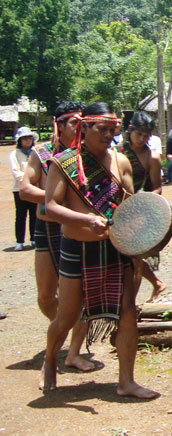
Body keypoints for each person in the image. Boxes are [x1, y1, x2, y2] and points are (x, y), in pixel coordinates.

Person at [39, 102, 159, 399]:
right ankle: (50, 359)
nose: (108, 135)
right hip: (77, 248)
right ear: (84, 128)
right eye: (102, 130)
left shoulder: (121, 162)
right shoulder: (63, 162)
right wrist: (86, 219)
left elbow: (131, 206)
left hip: (114, 248)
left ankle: (126, 381)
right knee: (67, 316)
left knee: (127, 314)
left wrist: (142, 240)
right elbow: (48, 208)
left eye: (112, 130)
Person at [20, 103, 96, 371]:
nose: (79, 127)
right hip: (47, 228)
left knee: (81, 298)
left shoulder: (87, 155)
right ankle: (65, 328)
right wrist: (55, 195)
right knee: (45, 295)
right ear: (59, 125)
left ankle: (74, 352)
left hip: (77, 229)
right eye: (73, 122)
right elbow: (26, 189)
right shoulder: (41, 154)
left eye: (82, 122)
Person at [117, 112, 167, 301]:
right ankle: (156, 283)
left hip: (138, 213)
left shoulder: (151, 157)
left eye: (146, 136)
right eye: (139, 134)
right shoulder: (116, 152)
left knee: (136, 259)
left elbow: (157, 188)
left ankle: (129, 305)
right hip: (114, 210)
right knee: (123, 259)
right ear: (130, 130)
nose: (142, 139)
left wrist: (140, 202)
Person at [10, 127, 39, 250]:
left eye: (29, 138)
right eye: (24, 138)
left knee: (34, 214)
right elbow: (16, 171)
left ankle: (33, 239)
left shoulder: (36, 153)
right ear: (20, 140)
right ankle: (19, 241)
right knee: (21, 215)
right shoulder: (15, 154)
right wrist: (27, 181)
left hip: (35, 188)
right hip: (19, 189)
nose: (27, 141)